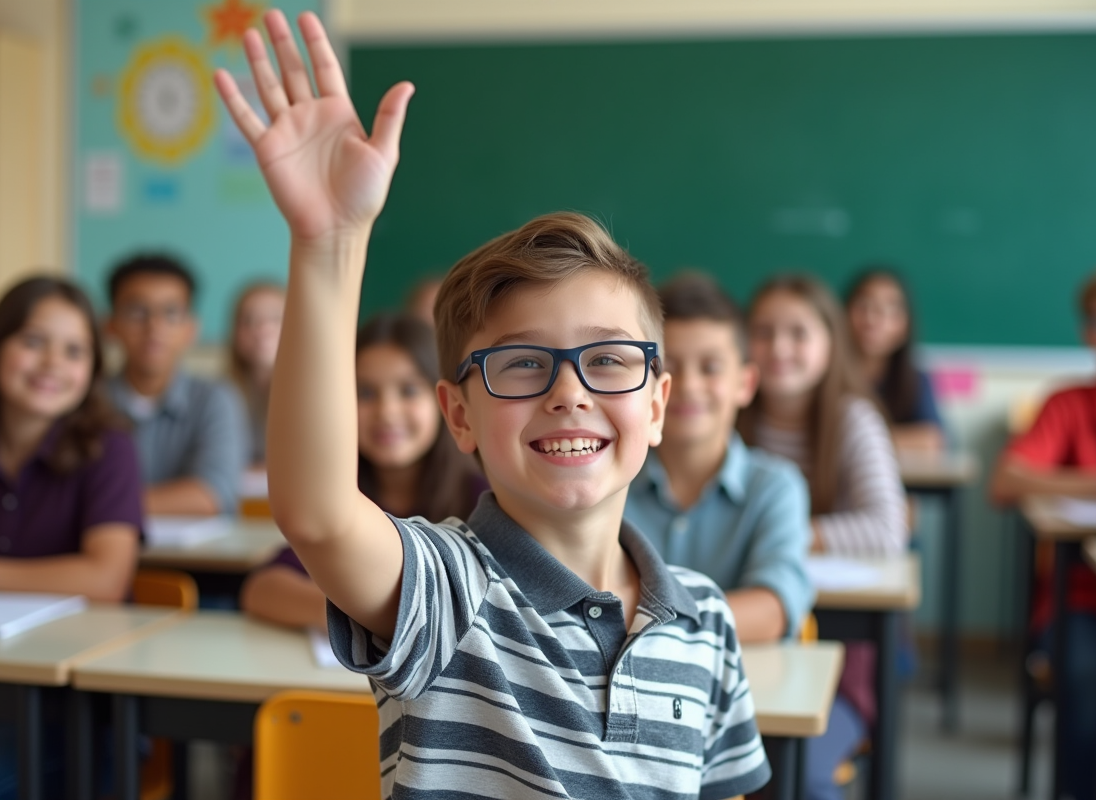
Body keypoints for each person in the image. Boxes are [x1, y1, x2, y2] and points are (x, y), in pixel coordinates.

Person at [214, 10, 770, 798]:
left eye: (608, 360)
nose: (568, 392)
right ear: (459, 413)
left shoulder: (706, 621)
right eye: (521, 366)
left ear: (658, 404)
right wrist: (330, 242)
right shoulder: (447, 590)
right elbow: (318, 513)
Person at [0, 276, 144, 798]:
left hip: (70, 712)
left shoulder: (109, 447)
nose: (53, 363)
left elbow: (104, 579)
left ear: (92, 369)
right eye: (33, 342)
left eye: (75, 351)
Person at [740, 274, 908, 800]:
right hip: (742, 644)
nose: (779, 348)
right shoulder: (727, 416)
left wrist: (780, 535)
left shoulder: (852, 418)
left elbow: (887, 527)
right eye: (763, 332)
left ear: (830, 342)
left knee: (800, 776)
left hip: (839, 657)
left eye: (798, 333)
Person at [994, 262, 1096, 800]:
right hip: (1078, 600)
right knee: (1083, 678)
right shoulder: (1068, 404)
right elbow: (1007, 480)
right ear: (1088, 334)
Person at [242, 313, 486, 630]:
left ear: (446, 401)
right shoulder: (341, 497)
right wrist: (358, 613)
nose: (387, 412)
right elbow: (261, 590)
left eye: (409, 390)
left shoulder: (480, 497)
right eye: (366, 393)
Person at [625, 272, 813, 643]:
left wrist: (653, 624)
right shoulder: (612, 480)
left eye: (710, 368)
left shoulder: (776, 487)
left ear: (745, 384)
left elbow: (774, 608)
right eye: (671, 368)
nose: (690, 386)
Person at [105, 253, 248, 515]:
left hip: (196, 556)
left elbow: (213, 494)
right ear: (110, 325)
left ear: (190, 328)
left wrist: (101, 504)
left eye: (171, 313)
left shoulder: (216, 399)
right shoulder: (90, 400)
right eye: (137, 311)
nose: (154, 327)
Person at [845, 268, 944, 452]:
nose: (872, 319)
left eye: (889, 309)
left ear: (905, 325)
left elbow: (931, 439)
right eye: (863, 305)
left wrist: (861, 439)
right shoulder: (827, 377)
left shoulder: (915, 380)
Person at [229, 282, 286, 466]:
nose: (262, 330)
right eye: (249, 320)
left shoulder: (313, 396)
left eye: (276, 319)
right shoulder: (220, 393)